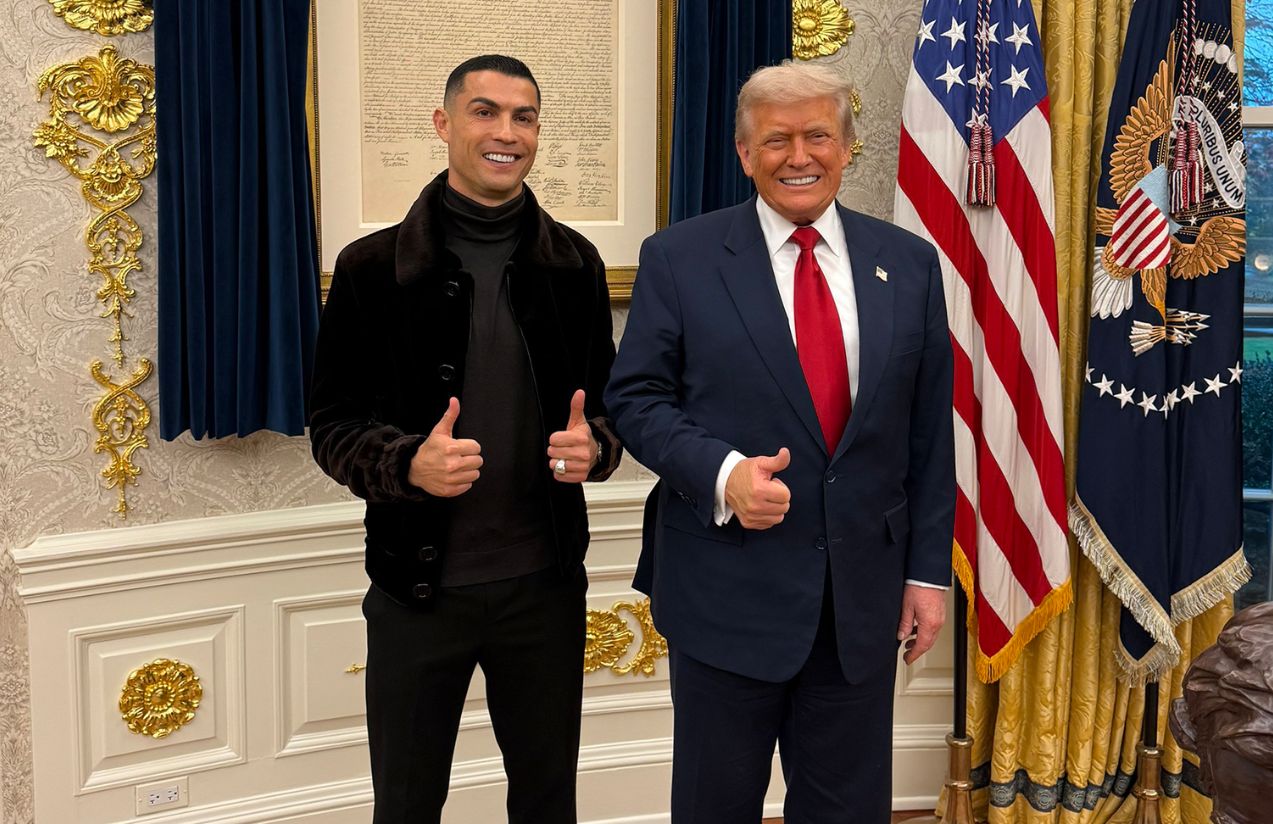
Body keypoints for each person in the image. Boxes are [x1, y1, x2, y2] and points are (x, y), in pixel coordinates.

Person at [604, 60, 955, 823]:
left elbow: (928, 435)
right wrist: (723, 473)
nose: (799, 156)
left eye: (817, 136)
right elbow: (633, 399)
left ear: (847, 146)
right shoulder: (679, 258)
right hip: (723, 596)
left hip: (858, 604)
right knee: (715, 808)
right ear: (743, 153)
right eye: (776, 140)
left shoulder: (908, 264)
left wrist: (927, 574)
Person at [309, 54, 621, 824]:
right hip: (417, 590)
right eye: (485, 112)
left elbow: (609, 410)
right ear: (444, 125)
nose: (505, 132)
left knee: (547, 802)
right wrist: (405, 463)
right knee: (406, 804)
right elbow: (331, 425)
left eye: (523, 117)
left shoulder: (574, 265)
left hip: (545, 587)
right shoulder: (372, 268)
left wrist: (597, 450)